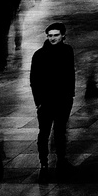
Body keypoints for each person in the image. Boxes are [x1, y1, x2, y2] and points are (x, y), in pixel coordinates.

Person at [29, 22, 75, 177]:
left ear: (63, 36)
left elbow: (70, 74)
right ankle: (44, 164)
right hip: (46, 102)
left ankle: (61, 160)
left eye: (56, 35)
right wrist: (39, 102)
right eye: (50, 36)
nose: (53, 38)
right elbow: (34, 80)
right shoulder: (39, 55)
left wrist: (70, 96)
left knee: (60, 132)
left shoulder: (68, 51)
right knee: (44, 133)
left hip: (63, 100)